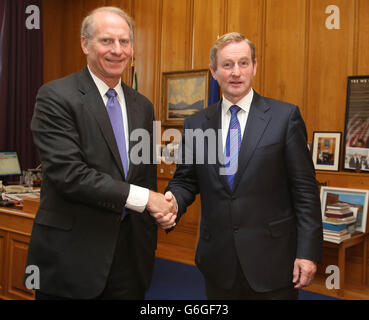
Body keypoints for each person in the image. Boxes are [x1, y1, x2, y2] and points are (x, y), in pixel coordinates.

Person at [25, 6, 176, 300]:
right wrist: (147, 200)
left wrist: (160, 210)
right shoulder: (55, 96)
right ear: (85, 43)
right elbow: (70, 175)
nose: (117, 50)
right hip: (73, 258)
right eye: (106, 41)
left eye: (124, 41)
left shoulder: (142, 106)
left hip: (131, 260)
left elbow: (143, 175)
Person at [161, 32, 322, 300]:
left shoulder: (285, 118)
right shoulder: (196, 124)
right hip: (218, 262)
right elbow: (186, 180)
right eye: (227, 65)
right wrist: (173, 200)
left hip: (273, 261)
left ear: (255, 67)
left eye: (244, 63)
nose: (236, 72)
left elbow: (305, 191)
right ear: (214, 71)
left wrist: (307, 252)